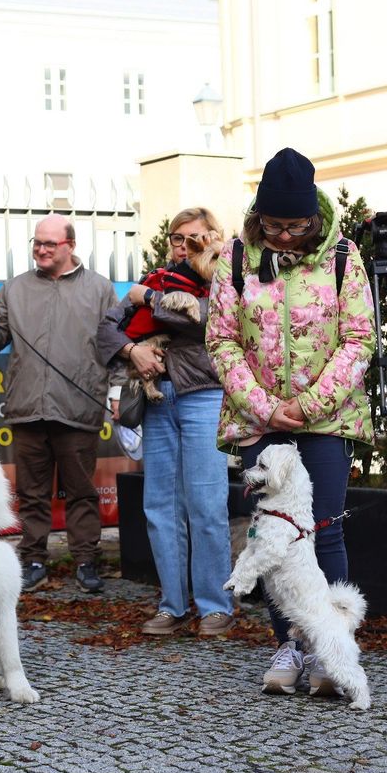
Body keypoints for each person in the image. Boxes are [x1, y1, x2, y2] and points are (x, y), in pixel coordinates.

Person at [206, 147, 375, 695]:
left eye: (294, 225)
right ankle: (288, 642)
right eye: (273, 225)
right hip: (263, 423)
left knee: (321, 531)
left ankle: (328, 649)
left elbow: (359, 339)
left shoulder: (344, 257)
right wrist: (264, 405)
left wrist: (310, 404)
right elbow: (221, 340)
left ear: (314, 217)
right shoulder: (234, 259)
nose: (282, 236)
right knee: (273, 536)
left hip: (324, 421)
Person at [97, 207, 235, 636]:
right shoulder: (158, 278)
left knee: (206, 504)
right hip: (156, 398)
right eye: (176, 236)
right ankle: (172, 604)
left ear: (214, 237)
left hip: (204, 396)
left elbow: (207, 321)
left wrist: (149, 301)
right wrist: (131, 351)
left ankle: (216, 605)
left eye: (192, 236)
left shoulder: (226, 277)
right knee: (159, 505)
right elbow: (105, 330)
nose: (182, 244)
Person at [0, 215, 119, 594]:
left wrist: (118, 392)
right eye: (36, 242)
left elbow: (115, 346)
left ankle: (87, 561)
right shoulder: (15, 287)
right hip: (27, 407)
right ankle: (33, 559)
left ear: (70, 246)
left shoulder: (101, 289)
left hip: (78, 408)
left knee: (82, 492)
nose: (40, 249)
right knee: (32, 493)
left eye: (49, 244)